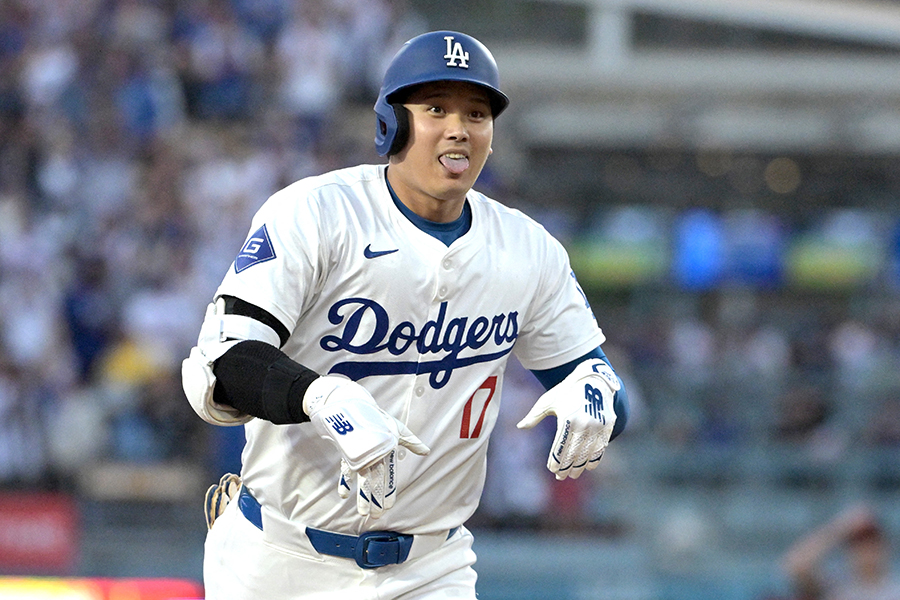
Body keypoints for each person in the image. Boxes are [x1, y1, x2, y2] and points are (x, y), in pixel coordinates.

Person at [181, 30, 629, 599]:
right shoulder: (316, 212)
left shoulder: (527, 247)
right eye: (435, 108)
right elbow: (226, 363)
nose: (458, 128)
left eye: (477, 112)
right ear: (391, 123)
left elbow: (605, 393)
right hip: (281, 557)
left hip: (430, 567)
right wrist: (323, 397)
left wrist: (596, 390)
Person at [782, 504, 900, 600]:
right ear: (848, 551)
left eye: (872, 543)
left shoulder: (896, 590)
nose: (867, 551)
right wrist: (841, 527)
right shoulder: (837, 586)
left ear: (886, 546)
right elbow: (795, 565)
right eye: (859, 545)